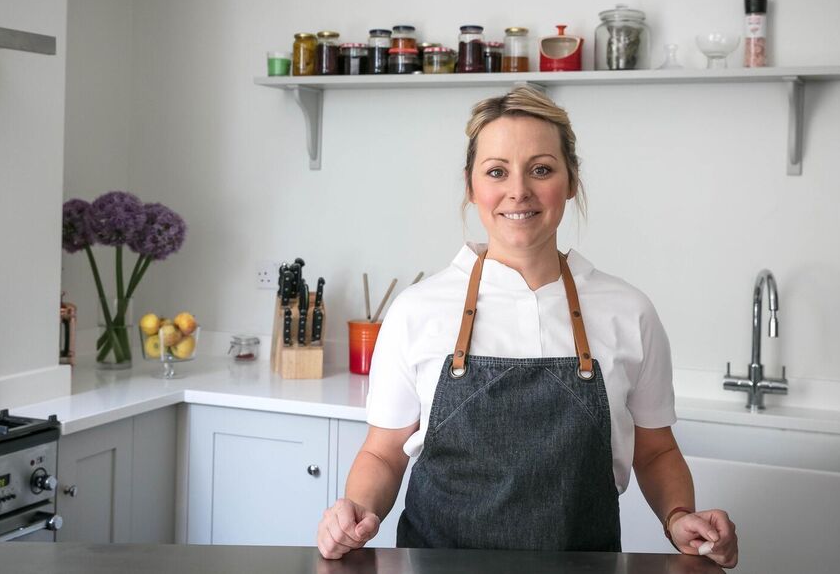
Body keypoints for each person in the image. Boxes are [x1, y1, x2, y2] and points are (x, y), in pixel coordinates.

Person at [316, 86, 738, 568]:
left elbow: (656, 451)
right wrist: (356, 511)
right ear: (471, 185)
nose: (518, 191)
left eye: (541, 169)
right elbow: (383, 453)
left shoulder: (629, 312)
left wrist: (679, 516)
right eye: (497, 171)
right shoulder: (416, 311)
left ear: (571, 180)